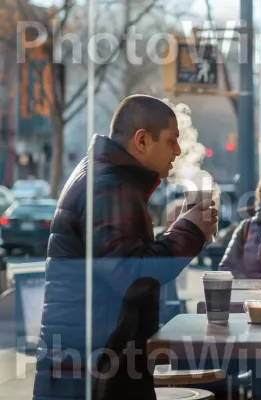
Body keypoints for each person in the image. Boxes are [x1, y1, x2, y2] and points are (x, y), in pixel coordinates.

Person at [33, 95, 218, 400]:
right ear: (142, 140)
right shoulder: (109, 186)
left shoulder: (109, 178)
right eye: (171, 140)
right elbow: (131, 277)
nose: (178, 150)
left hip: (87, 361)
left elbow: (120, 257)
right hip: (94, 366)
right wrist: (189, 231)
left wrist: (173, 231)